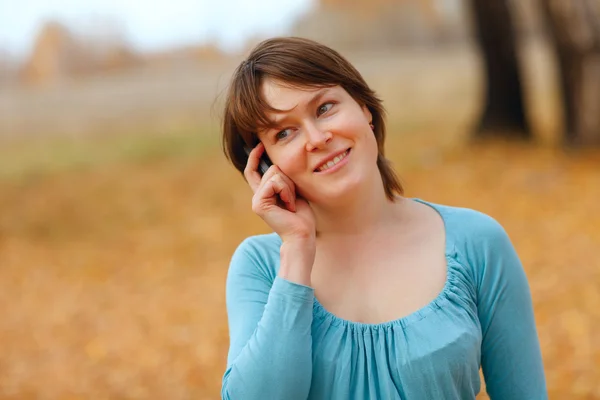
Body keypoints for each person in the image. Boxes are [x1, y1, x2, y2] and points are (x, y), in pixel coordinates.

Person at [219, 37, 547, 400]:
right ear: (266, 164)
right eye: (285, 132)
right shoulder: (260, 267)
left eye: (325, 108)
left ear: (364, 109)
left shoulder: (477, 242)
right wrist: (297, 251)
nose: (316, 138)